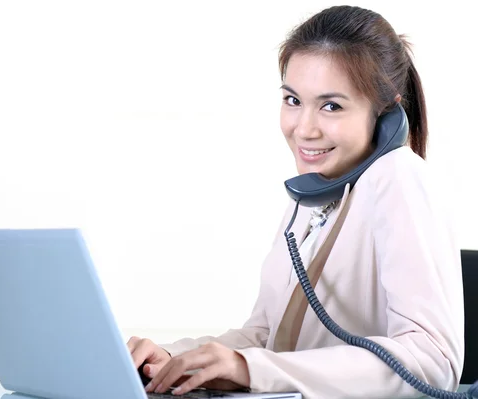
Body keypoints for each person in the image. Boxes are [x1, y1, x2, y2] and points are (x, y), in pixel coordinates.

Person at [127, 5, 465, 398]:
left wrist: (253, 369)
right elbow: (266, 335)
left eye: (331, 106)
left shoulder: (399, 179)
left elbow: (433, 363)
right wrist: (169, 358)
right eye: (292, 100)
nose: (303, 128)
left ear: (386, 111)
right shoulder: (318, 190)